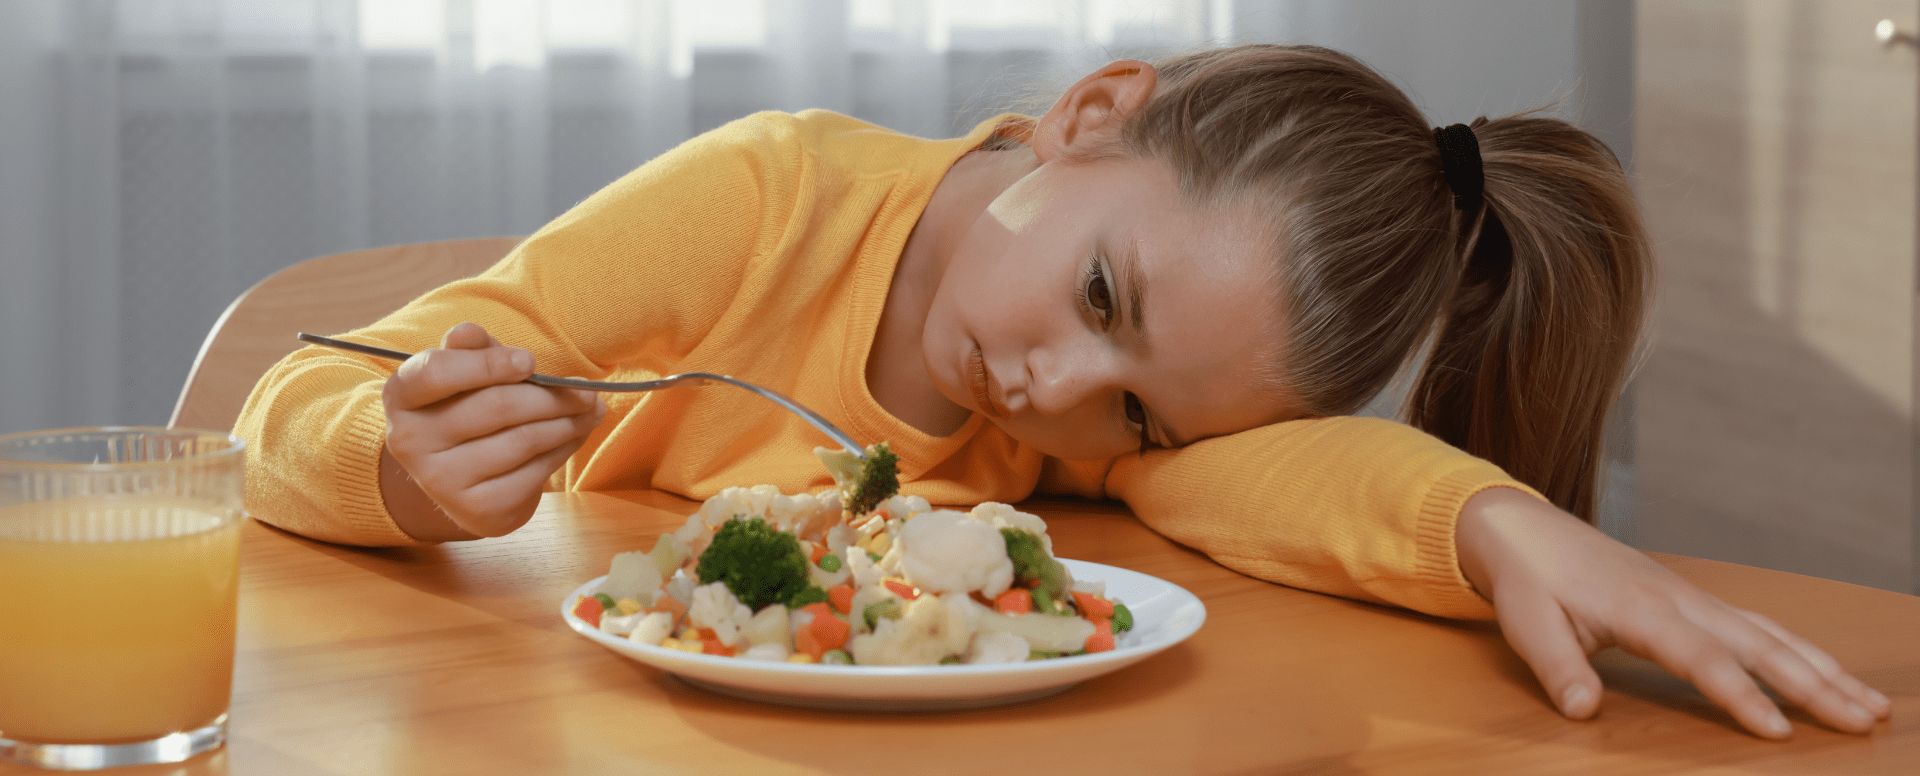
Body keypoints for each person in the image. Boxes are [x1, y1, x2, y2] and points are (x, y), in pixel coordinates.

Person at [235, 44, 1890, 739]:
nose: (1056, 387)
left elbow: (1284, 484)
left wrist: (1499, 527)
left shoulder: (1078, 442)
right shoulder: (766, 200)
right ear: (1094, 112)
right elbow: (293, 404)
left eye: (1142, 415)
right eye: (1103, 294)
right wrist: (393, 459)